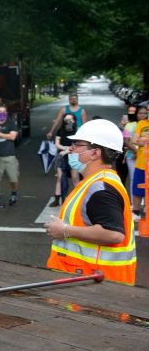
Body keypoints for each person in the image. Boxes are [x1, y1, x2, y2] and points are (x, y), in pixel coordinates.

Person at [44, 119, 137, 285]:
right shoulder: (96, 181)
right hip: (88, 279)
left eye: (78, 144)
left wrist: (65, 230)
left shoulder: (101, 187)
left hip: (95, 285)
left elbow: (114, 234)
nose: (71, 148)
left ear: (95, 153)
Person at [0, 106, 20, 208]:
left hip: (9, 155)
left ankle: (14, 194)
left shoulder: (11, 123)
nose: (2, 113)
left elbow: (12, 137)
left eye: (4, 112)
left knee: (13, 178)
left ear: (6, 113)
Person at [52, 114, 80, 206]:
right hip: (62, 156)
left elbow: (81, 144)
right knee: (60, 178)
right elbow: (57, 143)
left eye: (70, 119)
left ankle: (78, 200)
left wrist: (72, 149)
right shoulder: (60, 130)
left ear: (74, 121)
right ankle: (57, 199)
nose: (68, 121)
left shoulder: (77, 131)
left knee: (75, 179)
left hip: (74, 157)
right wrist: (65, 148)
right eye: (66, 119)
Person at [128, 105, 149, 217]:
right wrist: (142, 141)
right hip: (141, 163)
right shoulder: (141, 124)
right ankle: (136, 211)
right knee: (137, 188)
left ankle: (147, 210)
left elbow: (139, 140)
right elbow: (134, 140)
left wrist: (143, 140)